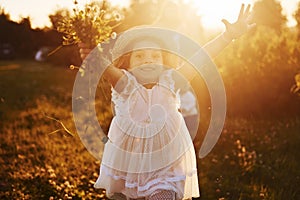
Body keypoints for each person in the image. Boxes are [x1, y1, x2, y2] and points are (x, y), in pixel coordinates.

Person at [78, 4, 255, 200]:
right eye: (140, 56)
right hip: (128, 164)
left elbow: (200, 58)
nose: (148, 60)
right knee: (123, 195)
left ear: (164, 62)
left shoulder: (171, 81)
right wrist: (91, 51)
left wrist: (227, 37)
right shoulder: (124, 85)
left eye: (155, 56)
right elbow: (104, 66)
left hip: (166, 165)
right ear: (127, 63)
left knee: (163, 194)